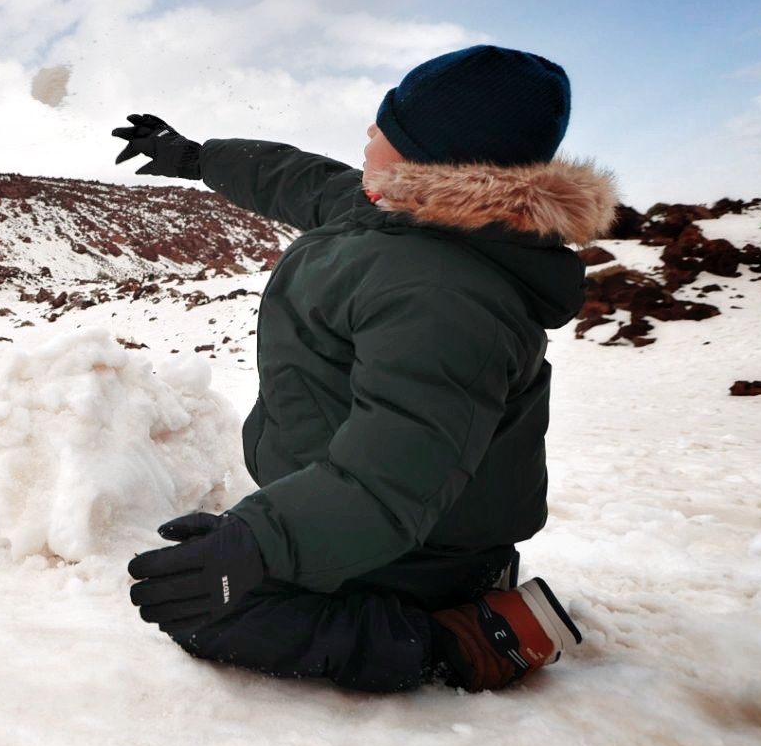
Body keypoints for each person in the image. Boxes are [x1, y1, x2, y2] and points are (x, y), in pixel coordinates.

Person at [114, 45, 616, 693]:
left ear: (431, 160)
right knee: (217, 577)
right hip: (390, 519)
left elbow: (390, 482)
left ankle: (460, 640)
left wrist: (258, 544)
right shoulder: (405, 216)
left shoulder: (445, 296)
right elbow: (300, 179)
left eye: (387, 130)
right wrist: (196, 156)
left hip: (419, 549)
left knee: (211, 610)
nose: (369, 135)